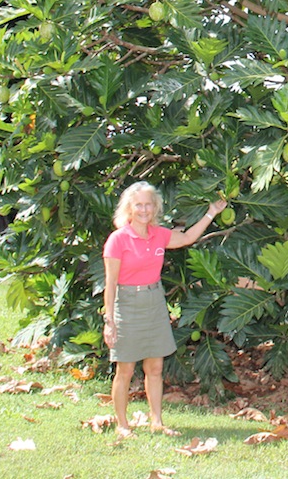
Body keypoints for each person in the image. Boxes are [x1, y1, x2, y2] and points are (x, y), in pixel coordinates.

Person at [102, 181, 226, 438]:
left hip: (154, 302)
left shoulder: (159, 234)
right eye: (138, 205)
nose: (144, 209)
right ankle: (122, 425)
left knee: (155, 368)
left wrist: (212, 212)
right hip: (127, 304)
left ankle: (156, 420)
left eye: (148, 204)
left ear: (155, 207)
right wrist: (109, 320)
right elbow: (110, 284)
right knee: (125, 369)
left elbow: (189, 237)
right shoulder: (118, 240)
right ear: (129, 208)